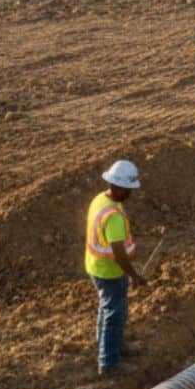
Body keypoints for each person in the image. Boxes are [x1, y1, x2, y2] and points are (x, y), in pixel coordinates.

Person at [85, 159, 146, 376]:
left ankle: (110, 345)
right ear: (119, 187)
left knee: (107, 308)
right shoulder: (113, 217)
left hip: (96, 267)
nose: (131, 193)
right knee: (115, 313)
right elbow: (118, 252)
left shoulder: (100, 200)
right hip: (109, 271)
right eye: (129, 189)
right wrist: (134, 275)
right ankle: (109, 363)